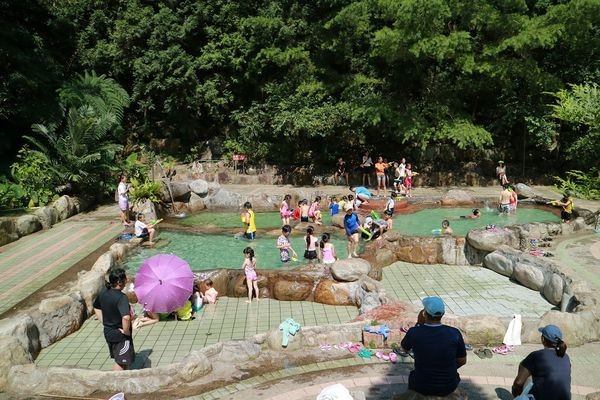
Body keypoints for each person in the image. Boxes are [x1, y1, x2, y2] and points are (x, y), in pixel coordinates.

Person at [401, 296, 467, 396]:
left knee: (413, 375)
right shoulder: (454, 333)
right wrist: (446, 369)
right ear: (443, 314)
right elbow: (462, 361)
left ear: (424, 314)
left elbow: (404, 348)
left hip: (421, 385)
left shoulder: (414, 332)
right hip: (448, 385)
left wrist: (419, 323)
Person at [512, 325, 571, 400]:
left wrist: (517, 396)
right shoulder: (566, 357)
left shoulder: (537, 356)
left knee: (528, 377)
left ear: (542, 339)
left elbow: (518, 383)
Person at [93, 268, 135, 371]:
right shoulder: (121, 297)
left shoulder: (104, 292)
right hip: (120, 335)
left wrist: (105, 322)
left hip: (108, 332)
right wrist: (126, 332)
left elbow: (96, 307)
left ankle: (122, 383)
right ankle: (115, 384)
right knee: (120, 363)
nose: (126, 280)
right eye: (125, 278)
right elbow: (126, 317)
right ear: (120, 282)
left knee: (122, 360)